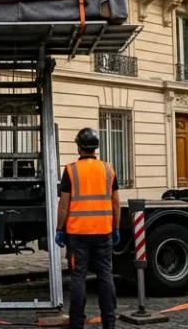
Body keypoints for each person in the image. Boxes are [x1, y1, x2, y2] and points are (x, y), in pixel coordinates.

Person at [55, 127, 120, 329]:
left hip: (78, 234)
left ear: (79, 147)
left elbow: (64, 203)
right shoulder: (108, 169)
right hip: (103, 232)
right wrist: (115, 228)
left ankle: (76, 323)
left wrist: (59, 229)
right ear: (96, 148)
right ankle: (109, 323)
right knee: (105, 276)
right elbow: (116, 202)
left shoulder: (71, 169)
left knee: (78, 278)